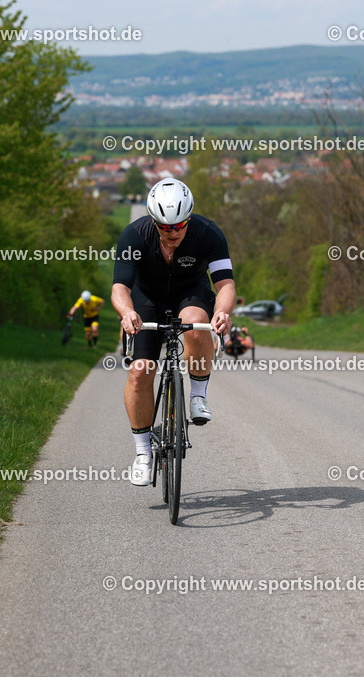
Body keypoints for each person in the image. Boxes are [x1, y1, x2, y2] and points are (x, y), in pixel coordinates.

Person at [112, 179, 236, 486]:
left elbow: (225, 284)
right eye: (165, 227)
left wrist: (223, 311)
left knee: (196, 325)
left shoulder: (208, 233)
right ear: (153, 221)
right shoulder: (134, 236)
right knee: (140, 372)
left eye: (179, 225)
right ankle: (143, 453)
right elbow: (120, 288)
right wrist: (127, 313)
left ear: (189, 218)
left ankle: (197, 395)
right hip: (146, 299)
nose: (173, 232)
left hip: (190, 293)